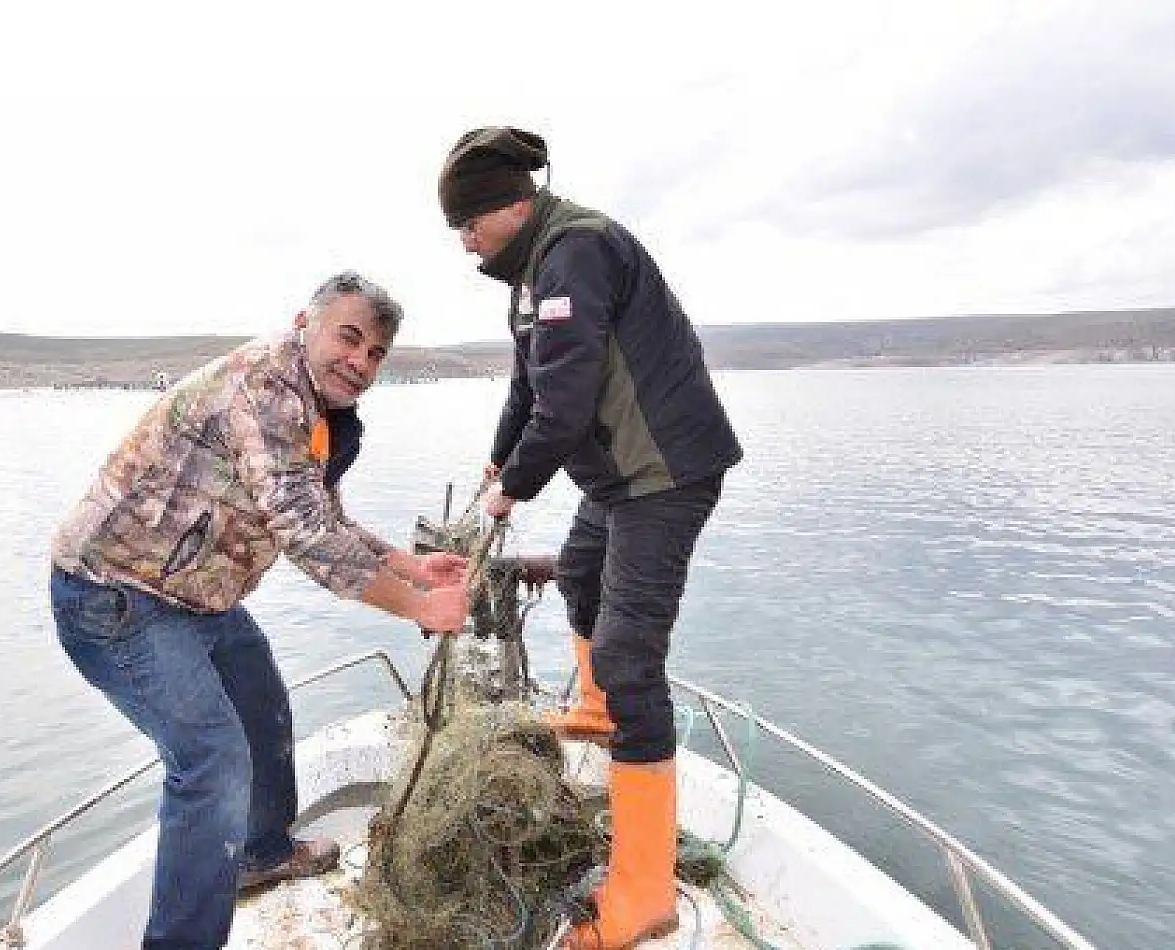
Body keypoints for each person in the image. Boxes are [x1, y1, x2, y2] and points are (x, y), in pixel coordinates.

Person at [49, 271, 469, 950]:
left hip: (195, 596)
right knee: (212, 762)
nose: (360, 363)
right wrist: (424, 606)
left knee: (263, 702)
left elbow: (324, 514)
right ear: (307, 321)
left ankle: (260, 852)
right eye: (350, 338)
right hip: (115, 596)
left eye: (376, 355)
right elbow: (306, 537)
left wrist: (411, 565)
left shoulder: (313, 406)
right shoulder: (266, 390)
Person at [437, 127, 743, 949]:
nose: (464, 242)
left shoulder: (577, 250)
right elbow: (527, 385)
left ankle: (643, 890)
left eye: (469, 224)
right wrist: (500, 456)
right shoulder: (535, 270)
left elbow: (565, 409)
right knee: (578, 573)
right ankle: (600, 707)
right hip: (617, 480)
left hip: (665, 473)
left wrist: (510, 492)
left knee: (630, 657)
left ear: (512, 203)